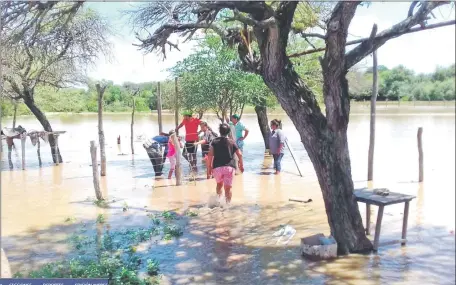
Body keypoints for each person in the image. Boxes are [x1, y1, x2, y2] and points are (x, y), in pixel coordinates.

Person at [207, 123, 244, 206]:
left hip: (217, 168)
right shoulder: (232, 142)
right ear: (228, 132)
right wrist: (241, 165)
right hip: (229, 168)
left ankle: (219, 202)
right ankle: (227, 206)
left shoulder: (214, 141)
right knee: (228, 188)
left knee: (219, 185)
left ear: (220, 131)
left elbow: (210, 155)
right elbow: (240, 154)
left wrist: (209, 168)